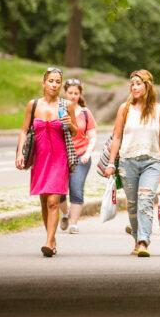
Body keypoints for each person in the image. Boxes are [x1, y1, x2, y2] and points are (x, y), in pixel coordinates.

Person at [102, 69, 160, 257]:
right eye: (132, 84)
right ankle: (137, 239)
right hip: (127, 162)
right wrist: (111, 163)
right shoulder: (124, 109)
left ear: (147, 86)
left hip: (151, 162)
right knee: (133, 204)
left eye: (138, 84)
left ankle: (144, 241)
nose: (134, 87)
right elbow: (116, 137)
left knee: (145, 200)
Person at [15, 67, 76, 257]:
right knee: (44, 200)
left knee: (53, 201)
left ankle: (49, 242)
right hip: (40, 159)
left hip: (59, 158)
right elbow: (24, 130)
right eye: (51, 81)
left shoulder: (67, 106)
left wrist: (69, 124)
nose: (55, 84)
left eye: (58, 81)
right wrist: (20, 153)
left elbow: (75, 132)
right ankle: (52, 237)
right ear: (44, 83)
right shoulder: (33, 105)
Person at [58, 78, 96, 234]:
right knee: (59, 191)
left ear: (80, 94)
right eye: (70, 93)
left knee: (76, 188)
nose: (73, 96)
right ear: (65, 93)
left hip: (81, 155)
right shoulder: (57, 110)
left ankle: (73, 223)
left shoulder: (85, 113)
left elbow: (93, 136)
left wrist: (87, 153)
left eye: (76, 93)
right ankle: (66, 213)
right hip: (61, 156)